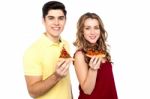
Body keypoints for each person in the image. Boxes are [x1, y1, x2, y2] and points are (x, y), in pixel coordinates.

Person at [23, 1, 73, 99]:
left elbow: (67, 82)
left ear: (65, 20)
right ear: (43, 20)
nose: (56, 23)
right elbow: (32, 92)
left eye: (61, 18)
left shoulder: (65, 44)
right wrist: (57, 76)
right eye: (51, 18)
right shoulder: (33, 51)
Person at [73, 12, 118, 99]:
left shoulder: (102, 52)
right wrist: (93, 70)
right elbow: (87, 90)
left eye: (96, 28)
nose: (92, 32)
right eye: (87, 28)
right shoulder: (80, 55)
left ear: (100, 30)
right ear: (82, 31)